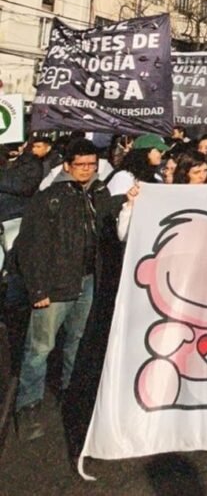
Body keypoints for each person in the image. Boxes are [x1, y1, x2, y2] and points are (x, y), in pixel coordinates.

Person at [11, 138, 117, 440]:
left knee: (78, 342)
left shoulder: (97, 191)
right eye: (80, 165)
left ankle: (73, 396)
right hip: (55, 285)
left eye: (91, 165)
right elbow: (32, 247)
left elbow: (108, 216)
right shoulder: (50, 197)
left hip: (85, 281)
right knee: (39, 349)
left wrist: (128, 199)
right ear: (67, 166)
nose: (86, 170)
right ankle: (29, 405)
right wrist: (38, 290)